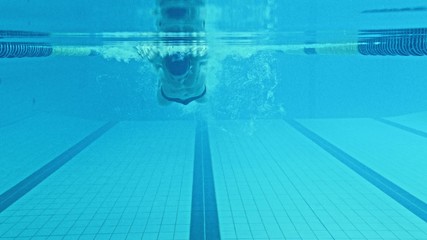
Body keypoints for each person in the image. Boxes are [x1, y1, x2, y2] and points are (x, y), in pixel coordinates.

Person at [140, 0, 208, 105]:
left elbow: (154, 61)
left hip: (169, 96)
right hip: (198, 94)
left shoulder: (163, 61)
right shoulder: (193, 60)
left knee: (163, 101)